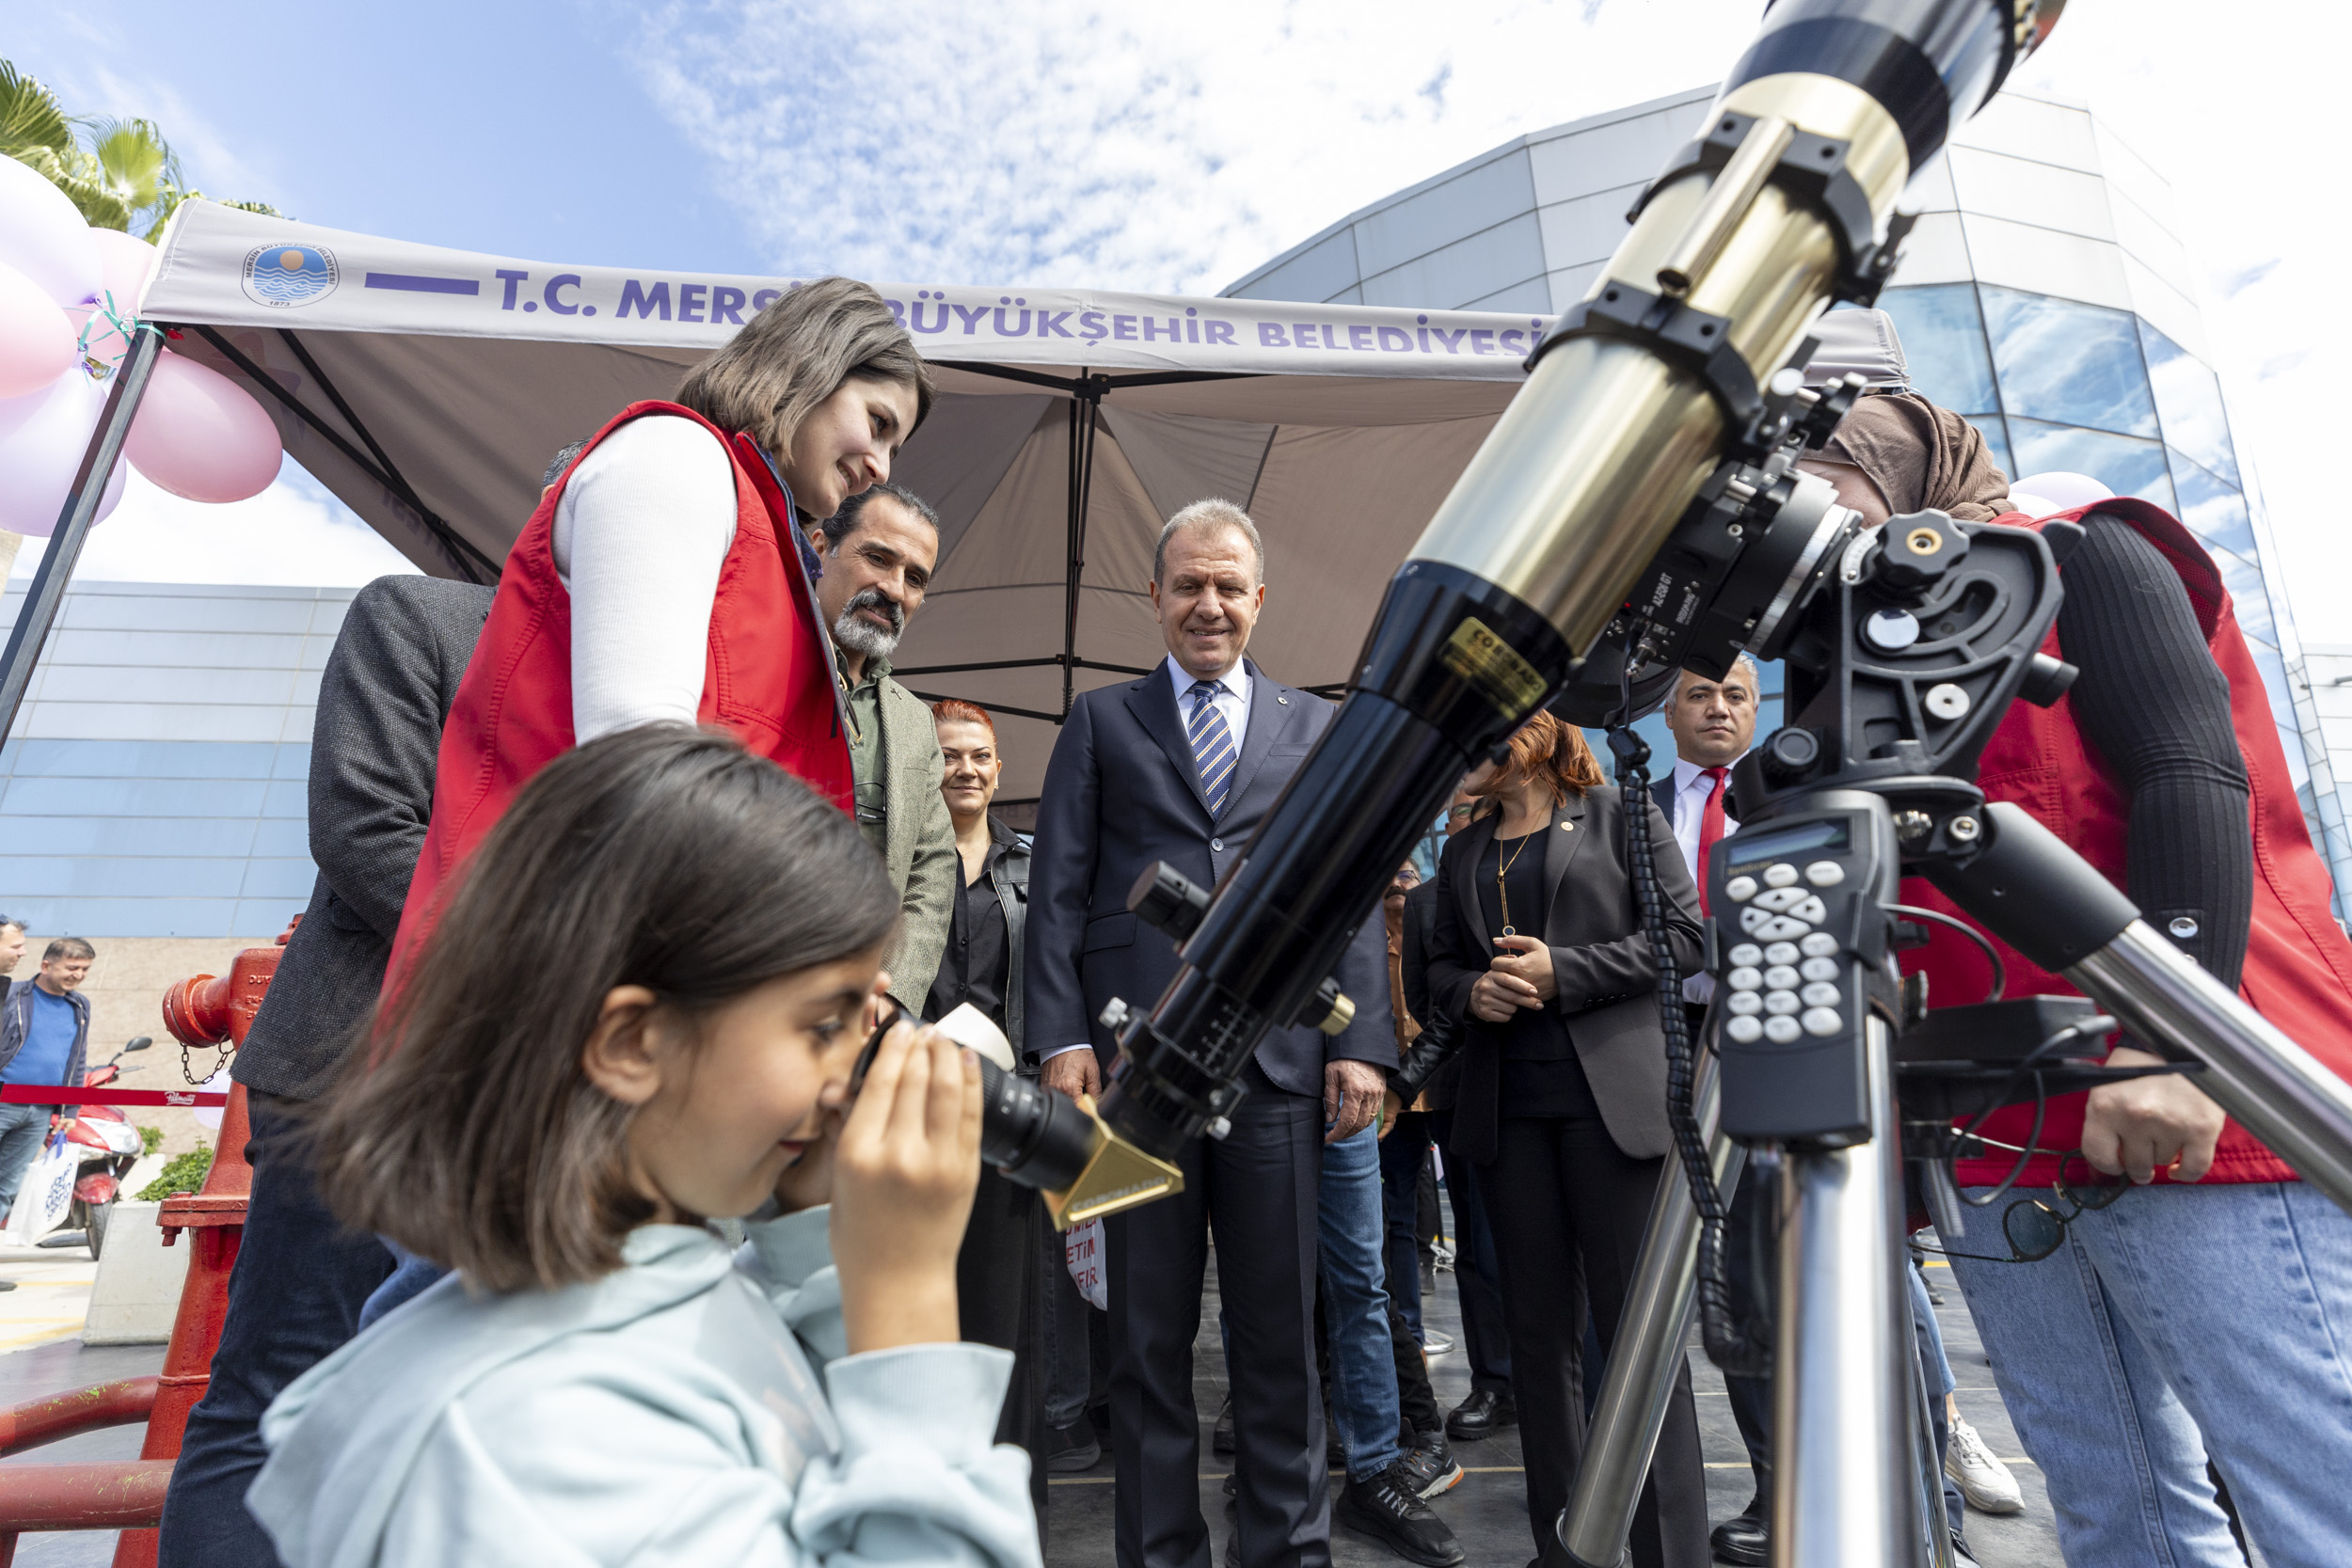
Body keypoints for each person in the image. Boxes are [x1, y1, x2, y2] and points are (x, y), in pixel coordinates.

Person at [244, 726, 1038, 1568]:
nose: (852, 1077)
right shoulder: (541, 1443)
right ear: (630, 1042)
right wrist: (908, 1306)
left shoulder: (656, 1289)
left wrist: (811, 1231)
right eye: (823, 1026)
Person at [1816, 396, 2352, 1566]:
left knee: (2314, 1490)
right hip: (1996, 1126)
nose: (1811, 519)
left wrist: (2175, 1047)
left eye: (1824, 482)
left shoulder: (2082, 550)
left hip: (2178, 1092)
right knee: (2111, 1503)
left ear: (1892, 467)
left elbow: (2189, 770)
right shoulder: (1871, 649)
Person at [1025, 499, 1405, 1568]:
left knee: (1279, 1336)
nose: (1208, 604)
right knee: (1145, 1342)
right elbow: (1057, 892)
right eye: (1188, 583)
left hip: (1275, 1066)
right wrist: (1059, 1037)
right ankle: (1160, 1553)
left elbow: (1347, 890)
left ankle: (1288, 1549)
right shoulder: (1100, 720)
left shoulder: (1315, 726)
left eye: (1228, 585)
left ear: (1259, 599)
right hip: (1132, 1074)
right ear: (1154, 596)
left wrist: (1361, 1041)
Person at [389, 277, 933, 977]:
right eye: (879, 423)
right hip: (558, 979)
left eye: (896, 447)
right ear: (811, 366)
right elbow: (639, 757)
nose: (880, 468)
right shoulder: (676, 457)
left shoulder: (754, 525)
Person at [153, 573, 496, 1568]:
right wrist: (559, 960)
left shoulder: (658, 676)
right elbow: (364, 826)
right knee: (278, 1395)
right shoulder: (420, 616)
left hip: (525, 1097)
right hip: (361, 1071)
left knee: (456, 1407)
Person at [1423, 713, 1708, 1568]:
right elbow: (1439, 969)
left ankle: (1670, 1554)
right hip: (1509, 1114)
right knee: (1539, 1344)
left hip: (1612, 1109)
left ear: (1530, 731)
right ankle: (1566, 1551)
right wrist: (1473, 993)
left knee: (1638, 1338)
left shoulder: (1621, 814)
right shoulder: (1463, 850)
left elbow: (1685, 938)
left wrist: (1565, 972)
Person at [921, 698, 1049, 1522]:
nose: (963, 767)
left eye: (978, 755)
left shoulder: (1034, 868)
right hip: (915, 1110)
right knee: (921, 1313)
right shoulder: (897, 862)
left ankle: (1010, 1513)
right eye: (947, 754)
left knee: (1009, 1325)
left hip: (1007, 1118)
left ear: (999, 769)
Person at [1393, 792, 1518, 1447]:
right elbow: (1426, 998)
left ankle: (1585, 1381)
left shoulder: (1551, 864)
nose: (1468, 819)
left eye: (1480, 806)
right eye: (1461, 811)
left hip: (1562, 1079)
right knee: (1479, 1244)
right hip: (1465, 1088)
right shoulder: (1424, 901)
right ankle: (1497, 1380)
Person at [812, 483, 958, 1008]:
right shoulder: (764, 663)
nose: (895, 590)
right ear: (820, 548)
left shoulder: (916, 722)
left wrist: (894, 997)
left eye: (915, 578)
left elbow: (932, 870)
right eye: (878, 558)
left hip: (864, 1010)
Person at [0, 936, 93, 1223]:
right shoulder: (12, 995)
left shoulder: (80, 1006)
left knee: (7, 1186)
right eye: (72, 967)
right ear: (45, 965)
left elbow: (77, 1059)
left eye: (85, 969)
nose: (78, 975)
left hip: (40, 1112)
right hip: (4, 1102)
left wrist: (70, 1110)